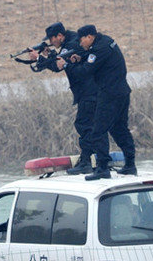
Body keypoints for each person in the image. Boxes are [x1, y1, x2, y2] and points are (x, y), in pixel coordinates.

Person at [63, 25, 136, 180]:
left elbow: (84, 72)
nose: (80, 43)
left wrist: (66, 64)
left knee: (98, 131)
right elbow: (95, 61)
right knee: (119, 129)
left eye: (81, 40)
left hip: (109, 95)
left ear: (89, 37)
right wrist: (81, 58)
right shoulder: (105, 41)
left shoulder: (99, 49)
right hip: (122, 92)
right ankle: (130, 165)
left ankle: (102, 168)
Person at [25, 23, 98, 171]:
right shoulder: (72, 41)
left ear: (60, 36)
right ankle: (94, 158)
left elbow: (58, 65)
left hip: (89, 92)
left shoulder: (71, 44)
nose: (52, 43)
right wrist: (45, 55)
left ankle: (86, 162)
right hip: (89, 91)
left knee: (84, 125)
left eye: (52, 39)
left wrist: (39, 58)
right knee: (91, 126)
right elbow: (57, 63)